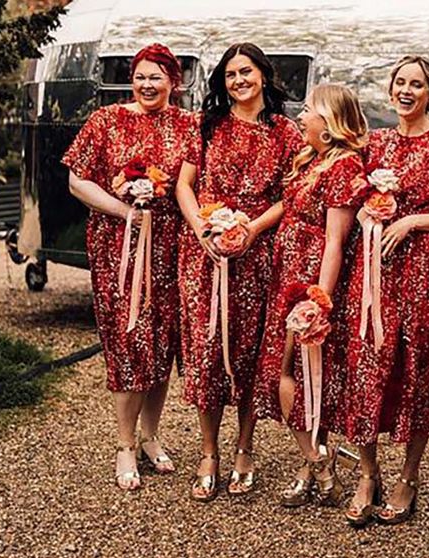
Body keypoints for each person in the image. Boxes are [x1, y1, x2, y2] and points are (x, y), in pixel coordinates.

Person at [339, 56, 429, 527]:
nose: (406, 91)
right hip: (372, 272)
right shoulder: (376, 141)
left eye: (416, 84)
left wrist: (413, 220)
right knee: (367, 368)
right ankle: (368, 473)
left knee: (416, 371)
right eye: (400, 83)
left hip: (421, 272)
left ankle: (408, 476)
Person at [63, 43, 195, 490]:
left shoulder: (188, 125)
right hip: (116, 245)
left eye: (156, 76)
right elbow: (76, 180)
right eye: (140, 76)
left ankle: (151, 435)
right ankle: (124, 444)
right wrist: (125, 214)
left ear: (173, 82)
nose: (146, 84)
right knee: (126, 340)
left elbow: (194, 184)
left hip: (170, 246)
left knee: (162, 342)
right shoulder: (106, 121)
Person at [175, 43, 301, 501]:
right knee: (207, 354)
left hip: (258, 254)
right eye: (230, 75)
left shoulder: (286, 132)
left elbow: (293, 195)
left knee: (250, 355)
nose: (238, 81)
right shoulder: (205, 125)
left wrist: (252, 226)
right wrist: (202, 227)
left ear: (263, 75)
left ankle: (245, 447)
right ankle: (209, 451)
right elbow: (184, 185)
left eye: (245, 72)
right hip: (204, 254)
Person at [255, 84, 368, 508]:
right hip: (286, 276)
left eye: (309, 110)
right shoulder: (311, 160)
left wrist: (318, 298)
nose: (301, 117)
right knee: (291, 374)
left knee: (296, 373)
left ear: (330, 121)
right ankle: (315, 461)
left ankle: (315, 463)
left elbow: (336, 240)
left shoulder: (344, 167)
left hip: (308, 282)